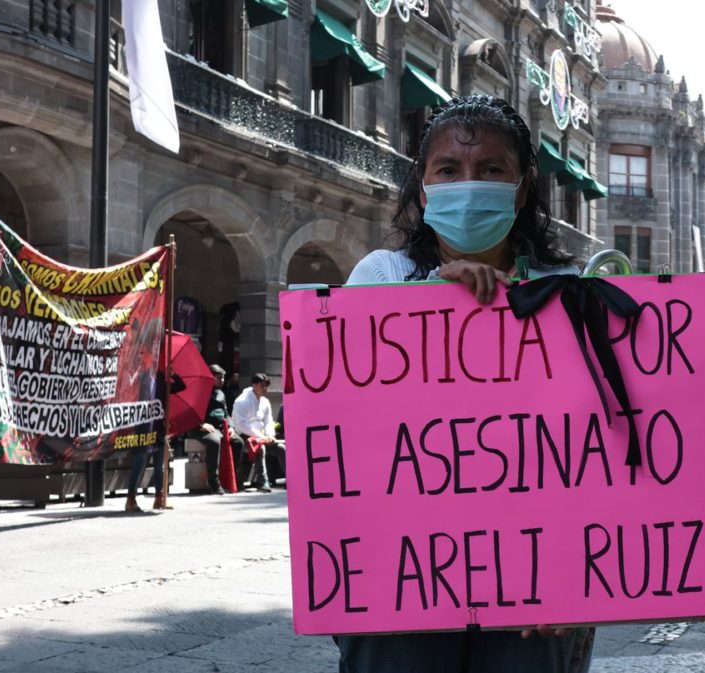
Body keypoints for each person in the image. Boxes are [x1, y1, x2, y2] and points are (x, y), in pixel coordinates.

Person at [340, 95, 592, 673]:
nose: (468, 182)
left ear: (523, 188)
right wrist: (428, 301)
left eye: (491, 170)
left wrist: (571, 569)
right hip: (399, 560)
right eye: (449, 170)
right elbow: (347, 411)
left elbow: (590, 435)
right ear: (424, 188)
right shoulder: (379, 275)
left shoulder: (566, 288)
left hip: (536, 565)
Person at [230, 373, 285, 493]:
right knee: (260, 449)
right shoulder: (241, 401)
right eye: (262, 386)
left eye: (267, 386)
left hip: (262, 436)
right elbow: (243, 425)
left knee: (281, 449)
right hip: (243, 437)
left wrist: (270, 435)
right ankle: (263, 482)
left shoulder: (265, 402)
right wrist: (261, 437)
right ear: (254, 385)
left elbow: (269, 421)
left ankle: (291, 480)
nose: (265, 388)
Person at [196, 364, 243, 494]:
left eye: (223, 378)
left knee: (238, 441)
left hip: (221, 427)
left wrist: (231, 427)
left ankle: (232, 479)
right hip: (202, 427)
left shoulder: (221, 393)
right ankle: (214, 482)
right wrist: (202, 424)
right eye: (218, 378)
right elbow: (191, 411)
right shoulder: (200, 391)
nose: (222, 380)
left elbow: (226, 413)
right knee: (215, 441)